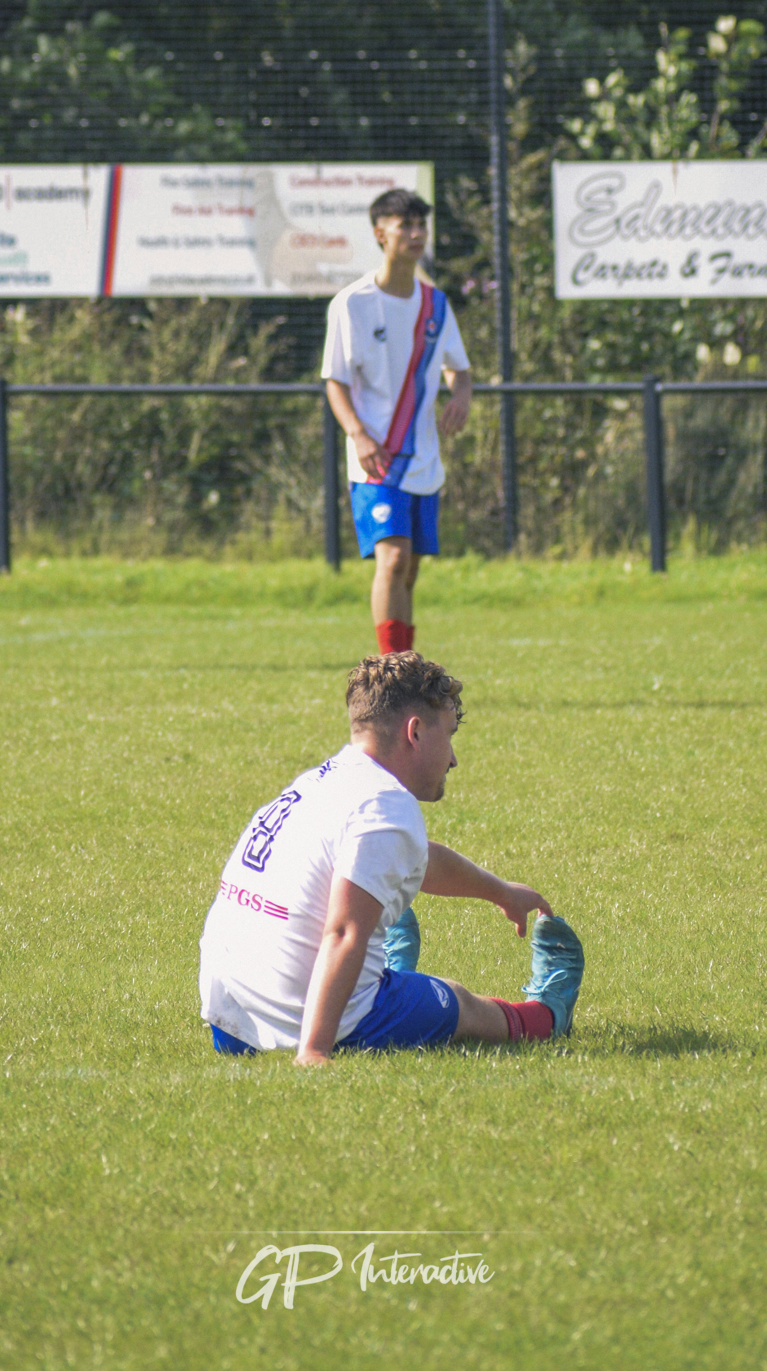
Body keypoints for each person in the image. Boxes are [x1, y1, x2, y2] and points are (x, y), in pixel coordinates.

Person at [199, 651, 584, 1063]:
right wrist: (313, 1051)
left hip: (232, 1021)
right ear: (415, 732)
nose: (454, 758)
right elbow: (345, 932)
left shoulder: (322, 780)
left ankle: (384, 970)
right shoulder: (386, 806)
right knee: (456, 1002)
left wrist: (501, 892)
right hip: (307, 1019)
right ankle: (546, 1015)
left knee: (360, 910)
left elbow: (420, 860)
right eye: (450, 735)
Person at [321, 188, 472, 656]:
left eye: (420, 226)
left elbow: (458, 367)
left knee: (410, 568)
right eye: (404, 225)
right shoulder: (352, 303)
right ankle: (389, 668)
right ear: (379, 234)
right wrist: (359, 435)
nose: (414, 234)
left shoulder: (435, 305)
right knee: (393, 557)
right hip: (377, 458)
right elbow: (334, 381)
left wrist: (460, 394)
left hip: (423, 456)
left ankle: (403, 665)